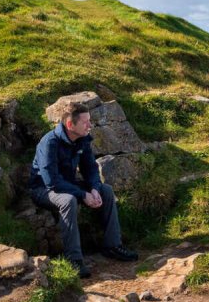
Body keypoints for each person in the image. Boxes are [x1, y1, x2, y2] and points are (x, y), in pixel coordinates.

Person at [28, 102, 138, 278]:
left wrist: (94, 188)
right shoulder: (49, 143)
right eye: (85, 122)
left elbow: (90, 168)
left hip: (67, 184)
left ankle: (113, 246)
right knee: (68, 201)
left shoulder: (83, 139)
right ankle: (74, 260)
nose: (90, 125)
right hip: (43, 189)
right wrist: (82, 194)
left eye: (90, 120)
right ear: (70, 124)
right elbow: (52, 182)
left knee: (106, 190)